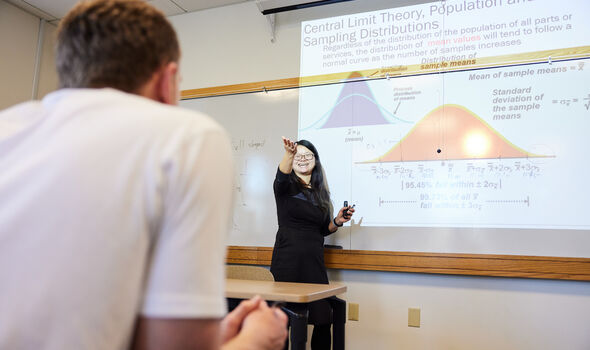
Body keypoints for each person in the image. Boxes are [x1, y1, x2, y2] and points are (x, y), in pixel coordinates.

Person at [0, 1, 287, 349]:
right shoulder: (188, 138)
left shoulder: (8, 130)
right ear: (167, 82)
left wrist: (219, 337)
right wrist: (257, 338)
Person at [270, 136, 355, 349]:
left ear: (315, 160)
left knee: (322, 319)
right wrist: (289, 154)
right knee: (281, 320)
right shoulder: (285, 187)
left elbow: (321, 229)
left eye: (308, 155)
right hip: (287, 260)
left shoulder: (321, 193)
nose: (303, 159)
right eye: (298, 155)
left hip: (314, 262)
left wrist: (337, 221)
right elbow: (281, 176)